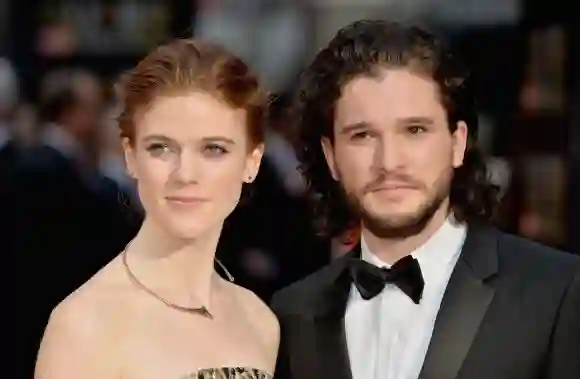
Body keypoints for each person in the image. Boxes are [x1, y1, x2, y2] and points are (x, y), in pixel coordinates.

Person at [271, 20, 580, 379]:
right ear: (331, 156)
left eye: (414, 130)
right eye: (362, 135)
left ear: (458, 142)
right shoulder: (292, 314)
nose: (389, 162)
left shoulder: (556, 292)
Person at [34, 38, 279, 379]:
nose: (185, 174)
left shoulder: (260, 320)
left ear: (252, 161)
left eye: (213, 149)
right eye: (161, 147)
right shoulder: (85, 326)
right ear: (131, 156)